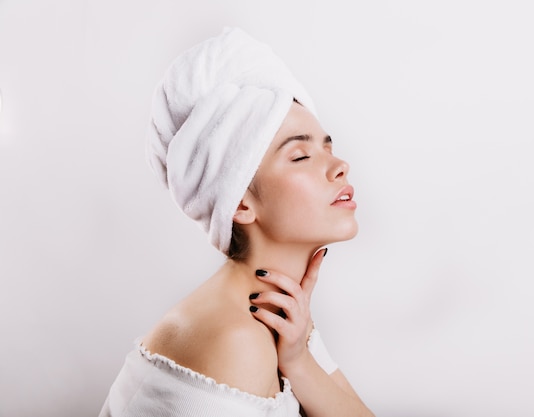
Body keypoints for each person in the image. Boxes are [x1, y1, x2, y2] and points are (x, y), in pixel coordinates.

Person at [99, 27, 374, 417]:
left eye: (327, 146)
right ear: (240, 202)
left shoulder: (280, 313)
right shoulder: (235, 339)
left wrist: (299, 362)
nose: (339, 166)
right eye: (300, 156)